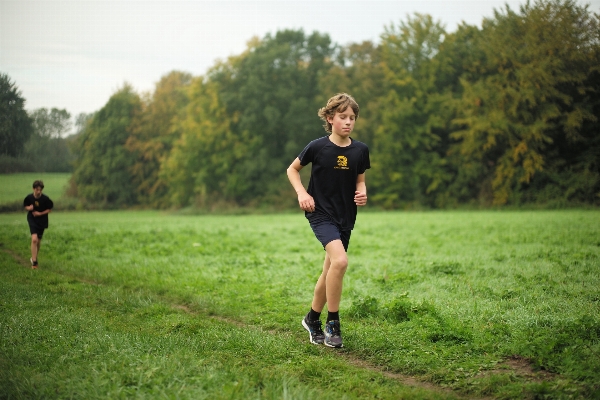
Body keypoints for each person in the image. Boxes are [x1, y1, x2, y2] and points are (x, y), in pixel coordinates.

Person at [286, 93, 370, 348]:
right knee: (341, 261)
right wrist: (302, 193)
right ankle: (333, 323)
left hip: (346, 216)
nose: (348, 122)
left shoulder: (360, 150)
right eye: (343, 117)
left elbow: (360, 179)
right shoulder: (317, 147)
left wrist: (363, 191)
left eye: (352, 118)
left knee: (329, 269)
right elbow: (292, 169)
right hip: (320, 213)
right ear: (330, 118)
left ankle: (312, 318)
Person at [23, 180, 54, 269]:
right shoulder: (29, 198)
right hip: (32, 219)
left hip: (42, 220)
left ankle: (34, 257)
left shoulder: (45, 199)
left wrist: (40, 214)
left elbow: (50, 209)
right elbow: (25, 206)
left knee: (38, 241)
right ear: (33, 189)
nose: (39, 191)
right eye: (37, 189)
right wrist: (29, 208)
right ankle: (34, 263)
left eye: (40, 190)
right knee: (34, 239)